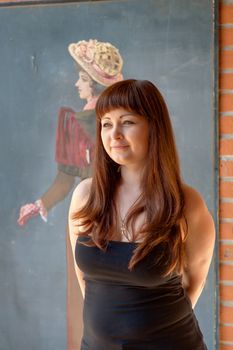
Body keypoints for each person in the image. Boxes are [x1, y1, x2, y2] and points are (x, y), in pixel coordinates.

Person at [68, 79, 215, 350]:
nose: (115, 135)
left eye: (128, 122)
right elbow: (84, 280)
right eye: (106, 124)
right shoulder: (85, 197)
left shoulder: (186, 203)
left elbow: (195, 282)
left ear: (154, 127)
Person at [17, 39, 124, 349]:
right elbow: (66, 179)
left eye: (81, 78)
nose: (77, 83)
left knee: (113, 294)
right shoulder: (76, 121)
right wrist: (40, 204)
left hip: (113, 218)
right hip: (86, 218)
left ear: (93, 83)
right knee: (85, 296)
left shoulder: (110, 124)